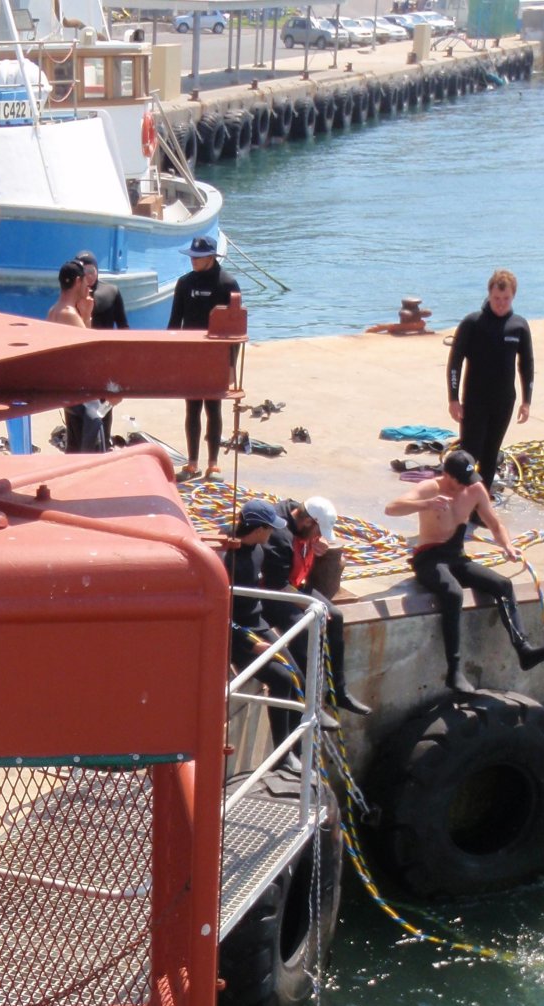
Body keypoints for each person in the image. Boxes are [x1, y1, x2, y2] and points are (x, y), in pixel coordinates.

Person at [385, 449, 544, 696]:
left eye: (470, 479)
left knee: (503, 585)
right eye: (461, 481)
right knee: (453, 594)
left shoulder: (475, 489)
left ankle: (524, 649)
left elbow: (495, 523)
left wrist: (507, 546)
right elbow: (391, 508)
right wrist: (426, 504)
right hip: (430, 557)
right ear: (447, 476)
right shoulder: (430, 488)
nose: (467, 486)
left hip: (457, 556)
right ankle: (454, 671)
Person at [222, 499, 330, 775]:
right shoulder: (228, 560)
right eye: (269, 529)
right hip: (237, 635)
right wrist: (250, 643)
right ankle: (282, 754)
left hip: (256, 622)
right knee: (281, 680)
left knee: (297, 678)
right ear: (258, 529)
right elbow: (221, 613)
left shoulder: (258, 550)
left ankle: (294, 749)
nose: (273, 534)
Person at [261, 496, 371, 715]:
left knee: (335, 616)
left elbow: (306, 537)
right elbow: (276, 584)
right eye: (318, 532)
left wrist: (314, 542)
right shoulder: (279, 536)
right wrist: (310, 605)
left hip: (294, 584)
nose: (320, 537)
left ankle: (338, 691)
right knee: (305, 627)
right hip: (272, 594)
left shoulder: (299, 517)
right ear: (308, 522)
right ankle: (308, 701)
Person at [446, 269, 533, 498]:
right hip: (475, 400)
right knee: (469, 455)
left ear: (513, 297)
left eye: (506, 299)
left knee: (490, 454)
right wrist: (453, 398)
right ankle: (460, 503)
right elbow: (455, 362)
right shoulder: (473, 323)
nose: (501, 304)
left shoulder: (519, 326)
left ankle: (479, 508)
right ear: (489, 294)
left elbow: (527, 365)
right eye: (497, 298)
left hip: (504, 402)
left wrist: (526, 401)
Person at [167, 235, 241, 481]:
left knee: (213, 408)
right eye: (191, 257)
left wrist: (231, 365)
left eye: (198, 257)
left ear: (211, 257)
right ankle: (192, 463)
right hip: (191, 355)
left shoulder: (228, 284)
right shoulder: (184, 283)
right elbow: (174, 324)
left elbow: (236, 330)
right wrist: (171, 359)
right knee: (192, 409)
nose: (193, 261)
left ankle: (213, 463)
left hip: (216, 357)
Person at [47, 259, 109, 453]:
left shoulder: (54, 311)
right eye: (84, 280)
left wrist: (86, 315)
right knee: (91, 448)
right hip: (82, 395)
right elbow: (90, 352)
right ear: (77, 281)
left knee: (74, 447)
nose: (88, 285)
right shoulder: (69, 314)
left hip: (69, 393)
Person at [75, 250, 127, 443]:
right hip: (81, 362)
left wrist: (124, 362)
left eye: (91, 270)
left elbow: (124, 327)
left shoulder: (111, 291)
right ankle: (77, 447)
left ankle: (105, 443)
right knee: (79, 408)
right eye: (83, 271)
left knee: (106, 406)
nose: (88, 275)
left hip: (106, 360)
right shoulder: (72, 295)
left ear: (97, 270)